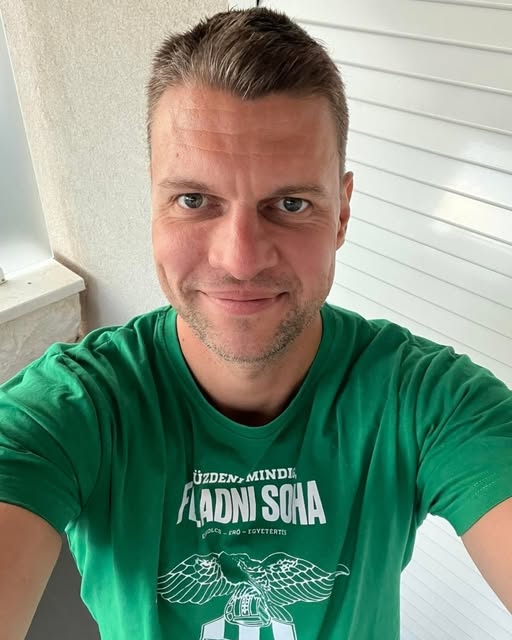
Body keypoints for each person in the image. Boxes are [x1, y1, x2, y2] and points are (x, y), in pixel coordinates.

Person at [0, 7, 511, 640]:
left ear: (342, 213)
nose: (240, 260)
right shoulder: (77, 406)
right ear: (153, 203)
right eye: (194, 200)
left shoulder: (425, 400)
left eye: (290, 203)